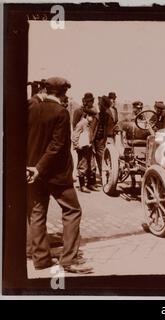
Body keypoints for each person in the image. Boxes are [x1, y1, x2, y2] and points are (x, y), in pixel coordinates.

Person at [27, 77, 92, 274]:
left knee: (37, 214)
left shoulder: (30, 108)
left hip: (32, 173)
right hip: (56, 175)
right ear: (62, 94)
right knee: (72, 211)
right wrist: (40, 168)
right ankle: (69, 260)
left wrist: (32, 167)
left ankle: (41, 259)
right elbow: (56, 146)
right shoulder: (61, 112)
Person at [72, 108, 100, 193]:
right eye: (92, 116)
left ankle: (90, 184)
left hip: (90, 147)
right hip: (83, 148)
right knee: (83, 166)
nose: (93, 119)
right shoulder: (81, 124)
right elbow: (75, 136)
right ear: (87, 116)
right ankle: (82, 186)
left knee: (92, 166)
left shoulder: (88, 123)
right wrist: (77, 146)